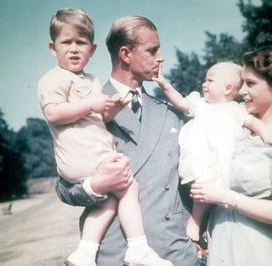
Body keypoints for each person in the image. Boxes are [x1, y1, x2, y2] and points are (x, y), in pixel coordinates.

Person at [55, 15, 198, 266]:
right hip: (115, 254)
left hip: (172, 252)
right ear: (125, 54)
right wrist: (96, 185)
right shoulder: (85, 108)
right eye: (152, 50)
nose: (161, 57)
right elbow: (64, 188)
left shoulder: (171, 113)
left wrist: (197, 227)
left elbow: (194, 177)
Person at [190, 47, 272, 265]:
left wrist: (226, 197)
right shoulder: (237, 130)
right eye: (242, 83)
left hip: (255, 252)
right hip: (219, 247)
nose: (241, 91)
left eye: (251, 84)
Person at [153, 62, 272, 242]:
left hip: (223, 159)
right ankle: (196, 220)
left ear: (227, 88)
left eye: (210, 80)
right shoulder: (200, 104)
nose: (204, 84)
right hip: (201, 157)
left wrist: (266, 133)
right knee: (202, 188)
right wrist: (164, 84)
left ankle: (201, 224)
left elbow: (254, 123)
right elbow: (180, 101)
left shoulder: (235, 110)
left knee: (216, 191)